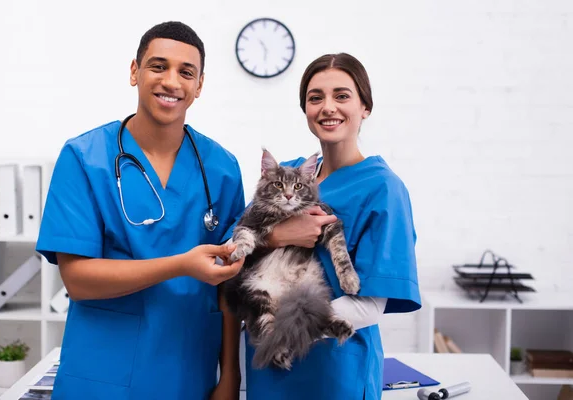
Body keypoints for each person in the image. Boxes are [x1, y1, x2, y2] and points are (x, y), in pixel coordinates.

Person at [36, 21, 245, 399]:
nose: (171, 81)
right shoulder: (85, 158)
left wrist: (230, 375)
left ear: (199, 86)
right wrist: (181, 265)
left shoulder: (222, 168)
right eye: (157, 66)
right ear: (134, 72)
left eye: (186, 72)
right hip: (101, 375)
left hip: (189, 372)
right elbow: (78, 280)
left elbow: (231, 284)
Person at [242, 53, 422, 399]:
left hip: (334, 372)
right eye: (315, 98)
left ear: (364, 107)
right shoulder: (290, 175)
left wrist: (282, 331)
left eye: (342, 96)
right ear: (305, 110)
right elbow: (232, 253)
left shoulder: (383, 188)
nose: (328, 107)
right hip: (268, 372)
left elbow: (369, 304)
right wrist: (280, 235)